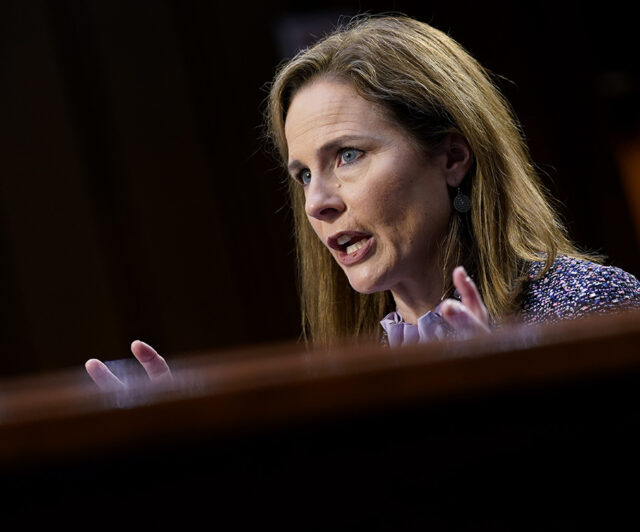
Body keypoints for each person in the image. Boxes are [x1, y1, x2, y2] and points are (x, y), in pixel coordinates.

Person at [86, 14, 640, 387]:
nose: (317, 204)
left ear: (451, 157)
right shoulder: (354, 375)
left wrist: (509, 402)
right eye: (304, 175)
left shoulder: (592, 307)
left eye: (347, 156)